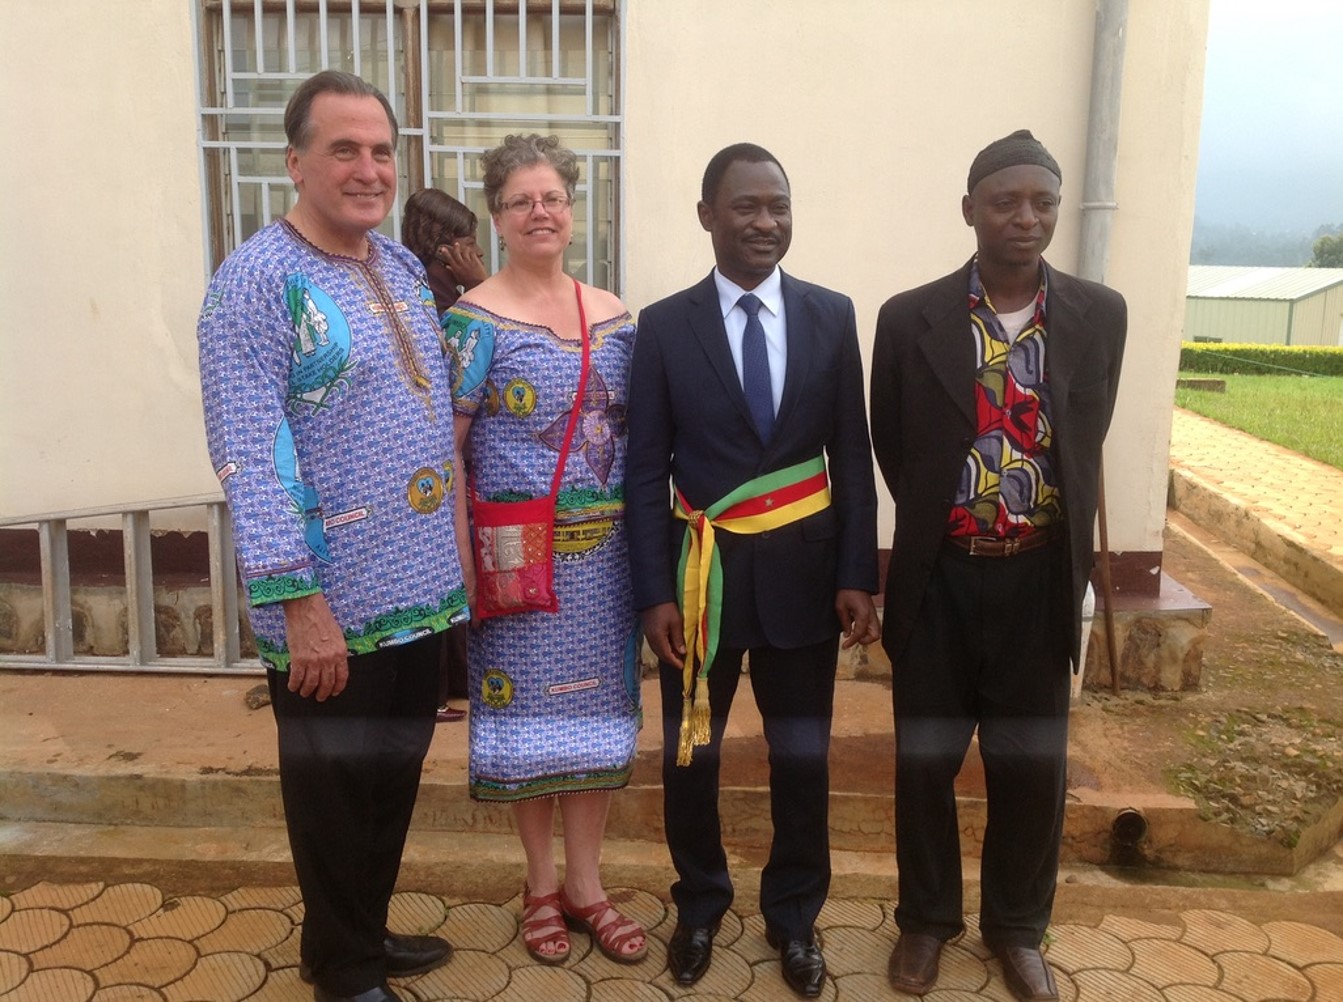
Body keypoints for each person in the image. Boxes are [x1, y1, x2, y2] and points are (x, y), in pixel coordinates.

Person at [197, 70, 469, 1002]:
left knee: (389, 781)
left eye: (381, 151)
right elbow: (248, 453)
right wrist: (297, 601)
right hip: (328, 605)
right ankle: (345, 975)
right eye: (343, 149)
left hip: (419, 592)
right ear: (295, 162)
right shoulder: (253, 283)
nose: (368, 169)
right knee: (332, 796)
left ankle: (353, 937)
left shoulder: (397, 266)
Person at [869, 130, 1127, 1001]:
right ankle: (925, 922)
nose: (1026, 217)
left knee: (1030, 768)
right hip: (938, 578)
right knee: (923, 763)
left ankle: (1017, 930)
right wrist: (949, 520)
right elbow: (892, 444)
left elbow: (1083, 439)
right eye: (1005, 201)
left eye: (1042, 203)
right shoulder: (909, 317)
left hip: (1037, 580)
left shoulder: (1099, 314)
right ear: (969, 209)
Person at [625, 142, 880, 999]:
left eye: (778, 205)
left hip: (806, 584)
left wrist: (856, 573)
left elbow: (851, 453)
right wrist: (653, 592)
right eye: (745, 206)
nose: (765, 222)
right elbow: (643, 469)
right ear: (707, 215)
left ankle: (794, 916)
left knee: (800, 758)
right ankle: (699, 905)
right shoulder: (665, 325)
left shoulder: (830, 314)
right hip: (701, 585)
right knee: (690, 757)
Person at [440, 134, 647, 968]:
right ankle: (538, 886)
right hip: (516, 560)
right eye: (521, 201)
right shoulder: (473, 320)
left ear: (571, 208)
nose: (540, 213)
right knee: (529, 724)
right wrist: (460, 560)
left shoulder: (615, 315)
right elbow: (446, 450)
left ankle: (588, 887)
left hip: (608, 568)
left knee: (594, 721)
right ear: (496, 217)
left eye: (552, 197)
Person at [401, 187, 489, 723]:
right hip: (439, 461)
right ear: (446, 248)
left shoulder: (436, 291)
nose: (478, 254)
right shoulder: (435, 302)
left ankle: (450, 686)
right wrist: (480, 288)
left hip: (446, 463)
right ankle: (436, 694)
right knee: (447, 569)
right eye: (470, 243)